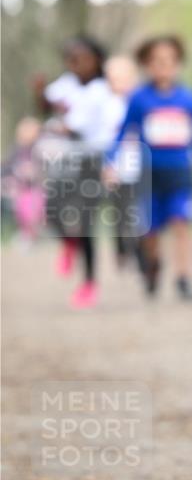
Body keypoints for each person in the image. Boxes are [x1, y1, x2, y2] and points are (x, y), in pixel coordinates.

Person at [105, 36, 192, 301]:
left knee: (182, 224)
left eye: (169, 60)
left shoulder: (188, 98)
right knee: (150, 231)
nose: (163, 65)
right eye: (157, 60)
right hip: (149, 176)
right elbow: (123, 133)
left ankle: (183, 278)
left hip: (180, 174)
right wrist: (110, 163)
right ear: (147, 64)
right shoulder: (139, 98)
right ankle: (153, 265)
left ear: (177, 64)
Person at [42, 36, 109, 309]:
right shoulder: (65, 84)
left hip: (93, 161)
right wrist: (38, 92)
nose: (77, 64)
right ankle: (68, 242)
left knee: (86, 222)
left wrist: (64, 126)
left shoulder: (101, 90)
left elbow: (81, 127)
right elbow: (46, 103)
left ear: (96, 60)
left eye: (83, 58)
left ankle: (89, 284)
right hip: (65, 159)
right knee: (51, 209)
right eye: (72, 59)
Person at [103, 56, 143, 269]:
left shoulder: (140, 102)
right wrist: (107, 166)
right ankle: (121, 250)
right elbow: (103, 140)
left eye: (124, 78)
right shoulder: (106, 106)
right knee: (120, 213)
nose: (119, 83)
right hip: (116, 169)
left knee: (139, 213)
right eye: (114, 78)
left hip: (139, 167)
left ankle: (139, 253)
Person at [2, 117, 45, 246]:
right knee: (22, 213)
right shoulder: (16, 150)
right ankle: (26, 235)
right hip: (20, 189)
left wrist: (35, 171)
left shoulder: (40, 150)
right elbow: (7, 167)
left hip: (36, 188)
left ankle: (32, 235)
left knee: (34, 211)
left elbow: (44, 169)